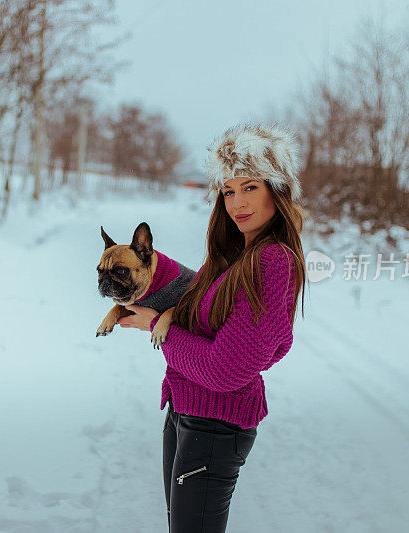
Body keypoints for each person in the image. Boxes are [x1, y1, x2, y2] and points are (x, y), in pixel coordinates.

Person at [116, 122, 307, 532]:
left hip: (216, 425)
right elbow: (203, 314)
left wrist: (160, 329)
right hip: (187, 410)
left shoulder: (271, 260)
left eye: (251, 187)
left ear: (278, 189)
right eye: (228, 190)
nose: (237, 202)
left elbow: (226, 369)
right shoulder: (233, 255)